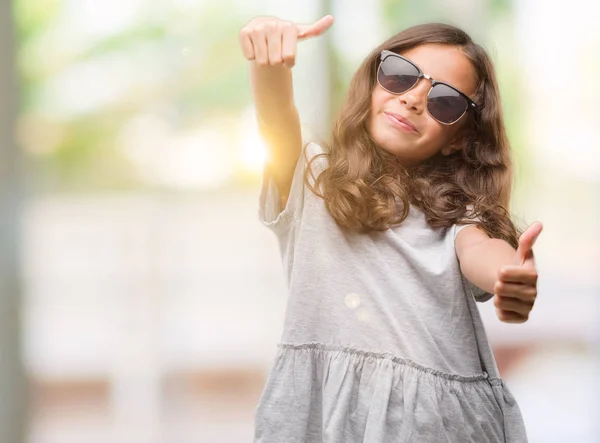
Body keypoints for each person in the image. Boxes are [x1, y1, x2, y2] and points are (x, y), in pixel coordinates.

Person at [239, 14, 542, 443]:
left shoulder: (457, 213)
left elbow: (480, 250)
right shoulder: (312, 180)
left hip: (439, 425)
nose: (414, 99)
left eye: (446, 101)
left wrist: (510, 275)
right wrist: (267, 58)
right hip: (325, 418)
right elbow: (276, 120)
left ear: (458, 137)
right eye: (400, 76)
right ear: (373, 81)